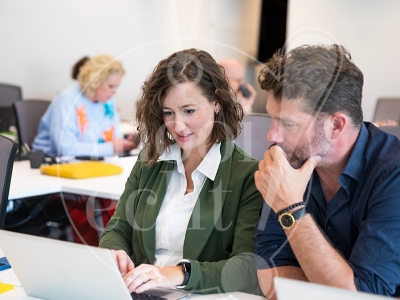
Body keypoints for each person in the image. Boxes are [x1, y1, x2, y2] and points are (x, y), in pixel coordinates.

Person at [99, 49, 263, 295]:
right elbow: (118, 228)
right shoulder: (149, 161)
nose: (178, 126)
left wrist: (176, 274)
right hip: (140, 293)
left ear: (216, 102)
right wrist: (116, 252)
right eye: (168, 113)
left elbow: (246, 268)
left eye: (189, 111)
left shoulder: (247, 174)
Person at [253, 44, 400, 299]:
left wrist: (291, 209)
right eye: (272, 119)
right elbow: (270, 276)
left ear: (336, 125)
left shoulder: (393, 175)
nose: (272, 136)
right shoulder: (288, 163)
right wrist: (331, 280)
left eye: (288, 124)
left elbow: (360, 296)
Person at [32, 54, 138, 157]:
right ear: (95, 82)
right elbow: (66, 149)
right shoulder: (66, 99)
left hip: (94, 163)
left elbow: (114, 139)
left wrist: (124, 143)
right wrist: (112, 147)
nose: (114, 92)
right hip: (51, 163)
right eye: (111, 86)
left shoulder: (108, 101)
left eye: (116, 87)